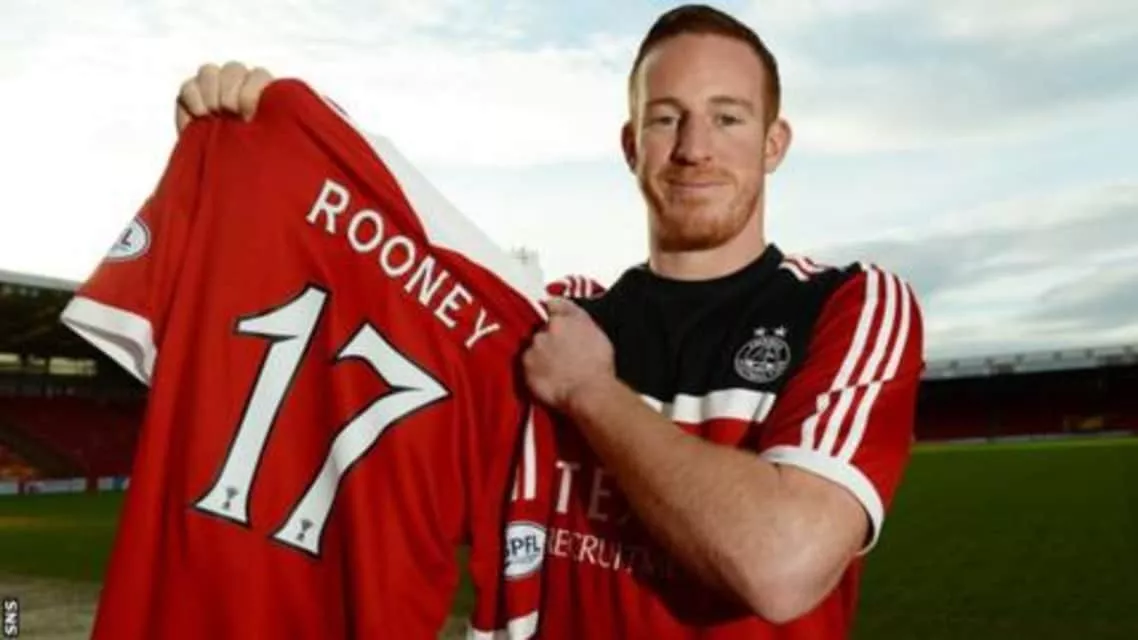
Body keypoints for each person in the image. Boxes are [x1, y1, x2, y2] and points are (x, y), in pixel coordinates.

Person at [173, 4, 924, 638]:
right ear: (631, 145)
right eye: (666, 119)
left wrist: (591, 393)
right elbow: (336, 388)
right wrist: (249, 178)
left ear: (773, 143)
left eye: (727, 117)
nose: (694, 148)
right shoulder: (546, 325)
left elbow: (783, 565)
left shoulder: (848, 307)